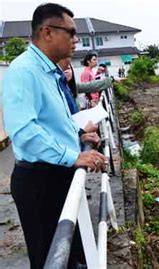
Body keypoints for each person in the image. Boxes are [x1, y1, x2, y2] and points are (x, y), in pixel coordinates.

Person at [2, 3, 107, 268]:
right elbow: (24, 131)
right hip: (39, 181)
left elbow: (56, 120)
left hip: (56, 174)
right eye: (70, 32)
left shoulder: (49, 71)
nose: (76, 39)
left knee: (72, 250)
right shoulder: (24, 71)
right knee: (51, 255)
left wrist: (80, 133)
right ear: (47, 32)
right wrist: (72, 156)